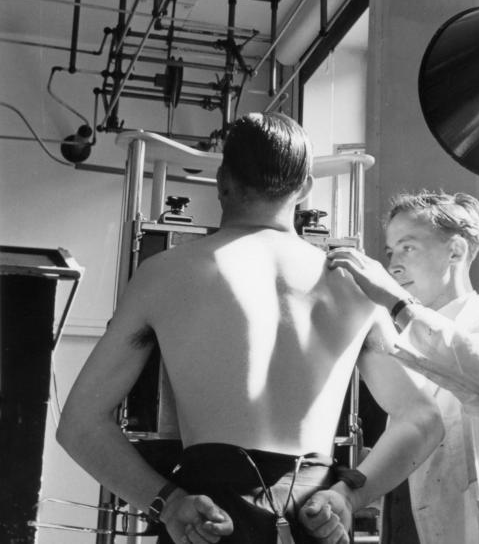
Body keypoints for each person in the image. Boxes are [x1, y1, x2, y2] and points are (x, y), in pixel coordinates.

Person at [58, 113, 443, 544]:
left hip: (207, 519)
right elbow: (423, 420)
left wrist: (167, 501)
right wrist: (349, 497)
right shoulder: (353, 283)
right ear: (306, 187)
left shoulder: (164, 274)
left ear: (223, 181)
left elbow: (79, 424)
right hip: (315, 516)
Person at [326, 190, 479, 544]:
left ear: (455, 251)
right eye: (391, 252)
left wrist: (395, 302)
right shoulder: (409, 341)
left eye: (408, 247)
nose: (393, 266)